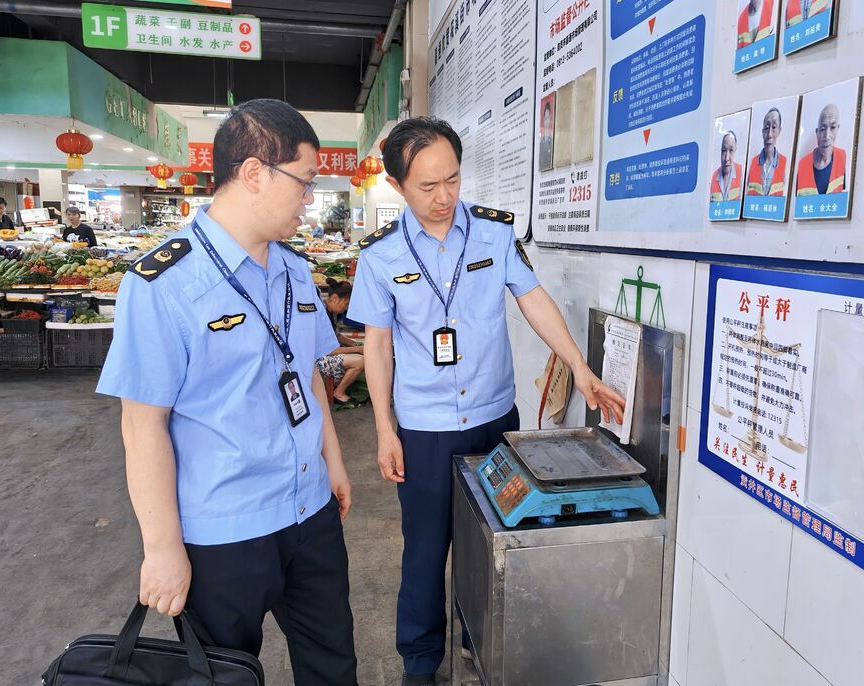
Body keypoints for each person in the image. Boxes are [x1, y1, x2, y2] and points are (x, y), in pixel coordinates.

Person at [347, 117, 625, 686]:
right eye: (428, 186)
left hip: (496, 418)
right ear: (398, 185)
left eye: (452, 179)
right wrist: (384, 428)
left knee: (494, 540)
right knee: (425, 552)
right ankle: (421, 663)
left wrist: (579, 365)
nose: (445, 196)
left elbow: (533, 299)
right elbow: (376, 346)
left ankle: (480, 635)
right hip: (424, 428)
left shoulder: (494, 234)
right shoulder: (379, 257)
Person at [96, 99, 357, 685]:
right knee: (224, 675)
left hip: (309, 511)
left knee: (334, 663)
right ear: (255, 172)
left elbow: (309, 376)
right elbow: (142, 427)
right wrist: (162, 548)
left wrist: (333, 462)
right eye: (305, 181)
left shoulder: (294, 270)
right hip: (223, 533)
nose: (309, 199)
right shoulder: (162, 284)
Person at [317, 277, 365, 405]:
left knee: (360, 354)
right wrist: (358, 349)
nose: (346, 308)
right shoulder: (321, 315)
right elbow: (330, 350)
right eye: (346, 304)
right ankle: (338, 393)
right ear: (334, 298)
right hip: (318, 361)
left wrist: (357, 344)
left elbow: (337, 336)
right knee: (360, 361)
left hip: (326, 355)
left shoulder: (330, 311)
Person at [796, 104, 847, 196]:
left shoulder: (842, 157)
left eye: (832, 128)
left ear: (838, 129)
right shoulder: (802, 165)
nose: (827, 136)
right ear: (817, 132)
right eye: (822, 129)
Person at [746, 108, 788, 197]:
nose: (769, 135)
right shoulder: (752, 162)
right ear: (762, 132)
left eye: (774, 127)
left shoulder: (785, 163)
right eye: (766, 128)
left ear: (779, 131)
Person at [710, 132, 742, 202]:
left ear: (735, 150)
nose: (726, 158)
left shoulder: (741, 173)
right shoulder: (713, 178)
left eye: (731, 150)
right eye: (724, 151)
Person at [539, 98, 555, 172]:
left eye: (548, 118)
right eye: (545, 118)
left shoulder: (552, 140)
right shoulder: (540, 142)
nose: (546, 121)